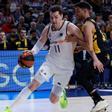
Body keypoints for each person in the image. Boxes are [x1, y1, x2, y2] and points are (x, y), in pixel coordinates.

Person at [4, 5, 104, 112]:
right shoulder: (48, 28)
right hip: (50, 63)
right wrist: (32, 51)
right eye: (51, 17)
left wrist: (95, 58)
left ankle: (62, 93)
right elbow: (40, 42)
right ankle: (10, 108)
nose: (53, 20)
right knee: (32, 85)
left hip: (66, 68)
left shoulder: (71, 27)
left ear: (62, 16)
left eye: (56, 17)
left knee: (53, 100)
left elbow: (86, 43)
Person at [71, 2, 109, 112]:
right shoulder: (91, 23)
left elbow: (89, 45)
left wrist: (96, 60)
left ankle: (99, 100)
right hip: (102, 54)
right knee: (82, 76)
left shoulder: (87, 25)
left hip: (100, 56)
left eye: (78, 11)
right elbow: (92, 42)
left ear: (85, 11)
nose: (76, 14)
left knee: (81, 77)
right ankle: (99, 102)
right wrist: (81, 48)